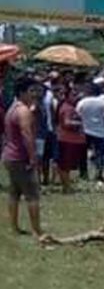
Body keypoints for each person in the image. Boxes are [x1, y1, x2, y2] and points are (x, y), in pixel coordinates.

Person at [3, 76, 44, 238]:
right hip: (21, 157)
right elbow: (27, 135)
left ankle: (14, 227)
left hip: (10, 156)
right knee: (32, 195)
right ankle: (36, 230)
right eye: (31, 91)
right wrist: (33, 158)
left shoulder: (12, 108)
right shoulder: (23, 111)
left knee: (14, 192)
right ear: (21, 92)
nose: (34, 94)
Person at [56, 86, 86, 193]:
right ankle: (67, 187)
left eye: (76, 94)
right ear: (67, 96)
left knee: (67, 165)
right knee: (65, 165)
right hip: (67, 140)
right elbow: (67, 122)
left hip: (71, 140)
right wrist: (80, 123)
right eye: (73, 95)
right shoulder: (67, 108)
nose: (76, 97)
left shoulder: (70, 107)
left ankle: (67, 186)